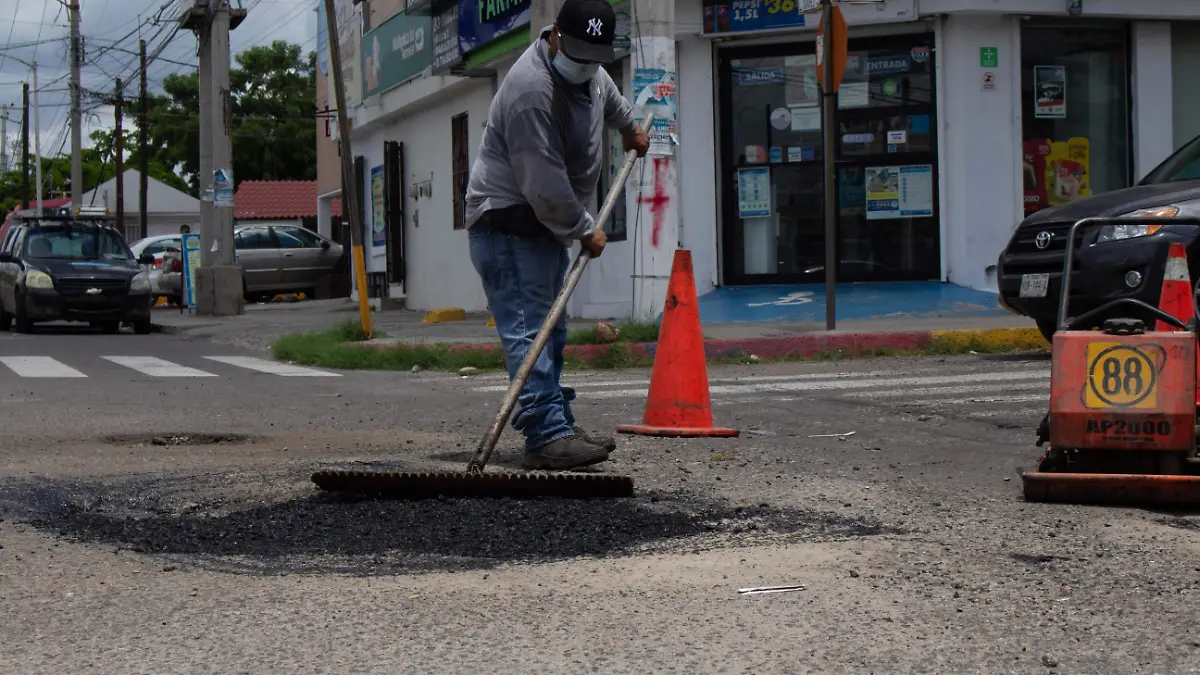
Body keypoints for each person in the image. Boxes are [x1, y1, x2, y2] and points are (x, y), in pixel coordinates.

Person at [464, 0, 650, 471]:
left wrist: (629, 127)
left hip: (541, 229)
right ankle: (546, 435)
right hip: (508, 223)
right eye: (579, 53)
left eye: (595, 56)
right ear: (555, 37)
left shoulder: (588, 69)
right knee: (531, 332)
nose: (586, 63)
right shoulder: (532, 90)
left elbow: (607, 95)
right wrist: (584, 230)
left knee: (552, 331)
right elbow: (542, 182)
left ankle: (557, 422)